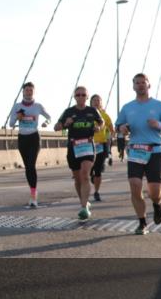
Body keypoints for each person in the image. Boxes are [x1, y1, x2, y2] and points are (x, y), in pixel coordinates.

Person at [114, 73, 161, 235]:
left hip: (154, 150)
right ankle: (142, 222)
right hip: (135, 150)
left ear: (149, 85)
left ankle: (157, 203)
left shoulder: (159, 105)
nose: (140, 85)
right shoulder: (127, 107)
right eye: (137, 83)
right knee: (135, 186)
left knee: (154, 192)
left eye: (143, 82)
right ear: (133, 86)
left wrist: (158, 124)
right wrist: (122, 128)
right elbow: (117, 125)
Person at [54, 87, 103, 219]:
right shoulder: (69, 111)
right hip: (73, 146)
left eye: (83, 95)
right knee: (77, 178)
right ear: (74, 97)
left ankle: (83, 208)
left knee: (85, 175)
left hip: (88, 145)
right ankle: (85, 202)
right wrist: (65, 124)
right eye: (78, 95)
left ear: (87, 97)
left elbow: (101, 122)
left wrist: (98, 127)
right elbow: (56, 127)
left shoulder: (92, 110)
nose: (80, 97)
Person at [7, 82, 52, 207]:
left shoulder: (38, 106)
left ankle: (33, 195)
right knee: (28, 167)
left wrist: (46, 123)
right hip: (22, 138)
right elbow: (11, 124)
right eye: (27, 90)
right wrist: (18, 116)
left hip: (34, 137)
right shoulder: (17, 106)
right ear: (23, 92)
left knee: (31, 165)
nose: (29, 92)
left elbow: (49, 117)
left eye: (31, 90)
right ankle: (33, 191)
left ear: (34, 92)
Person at [90, 94, 113, 202]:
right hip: (88, 144)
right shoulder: (87, 114)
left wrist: (112, 136)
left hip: (101, 144)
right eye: (94, 100)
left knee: (98, 170)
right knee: (90, 168)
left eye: (98, 100)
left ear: (101, 103)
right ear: (90, 102)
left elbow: (111, 128)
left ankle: (96, 192)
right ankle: (91, 174)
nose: (96, 102)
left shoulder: (105, 115)